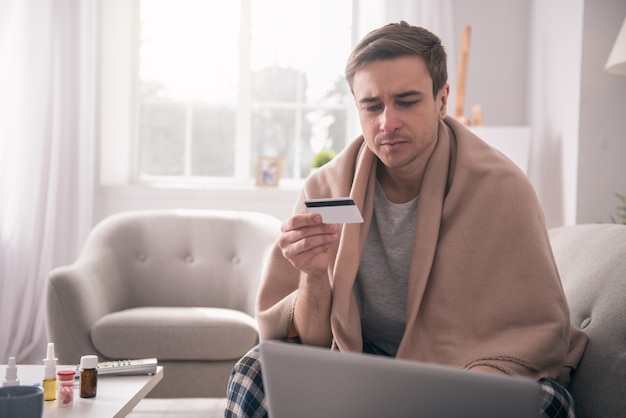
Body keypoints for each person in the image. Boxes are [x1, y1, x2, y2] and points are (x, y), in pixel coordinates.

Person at [225, 21, 587, 418]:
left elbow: (535, 335)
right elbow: (311, 343)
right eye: (372, 105)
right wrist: (313, 275)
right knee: (254, 370)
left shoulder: (502, 189)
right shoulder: (325, 189)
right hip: (363, 363)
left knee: (547, 404)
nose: (387, 122)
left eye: (407, 101)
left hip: (467, 369)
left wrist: (451, 392)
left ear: (441, 99)